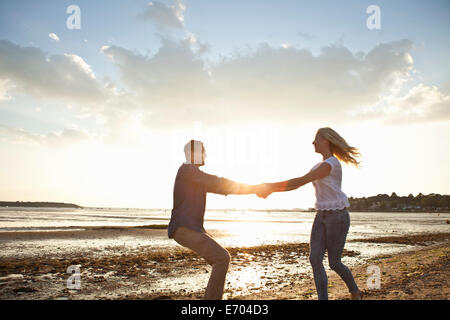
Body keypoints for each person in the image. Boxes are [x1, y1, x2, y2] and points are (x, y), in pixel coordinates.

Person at [258, 127, 363, 300]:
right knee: (315, 259)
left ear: (326, 141)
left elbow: (300, 181)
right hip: (321, 215)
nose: (313, 142)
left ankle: (354, 292)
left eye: (316, 139)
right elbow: (296, 185)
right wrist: (272, 191)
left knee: (334, 263)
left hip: (337, 215)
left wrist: (269, 185)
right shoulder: (318, 166)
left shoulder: (331, 164)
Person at [168, 139, 269, 300]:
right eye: (203, 151)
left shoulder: (193, 175)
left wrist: (254, 190)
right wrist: (255, 188)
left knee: (220, 260)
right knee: (222, 258)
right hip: (184, 228)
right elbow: (220, 182)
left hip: (190, 229)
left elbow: (222, 186)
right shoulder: (188, 171)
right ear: (194, 154)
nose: (206, 155)